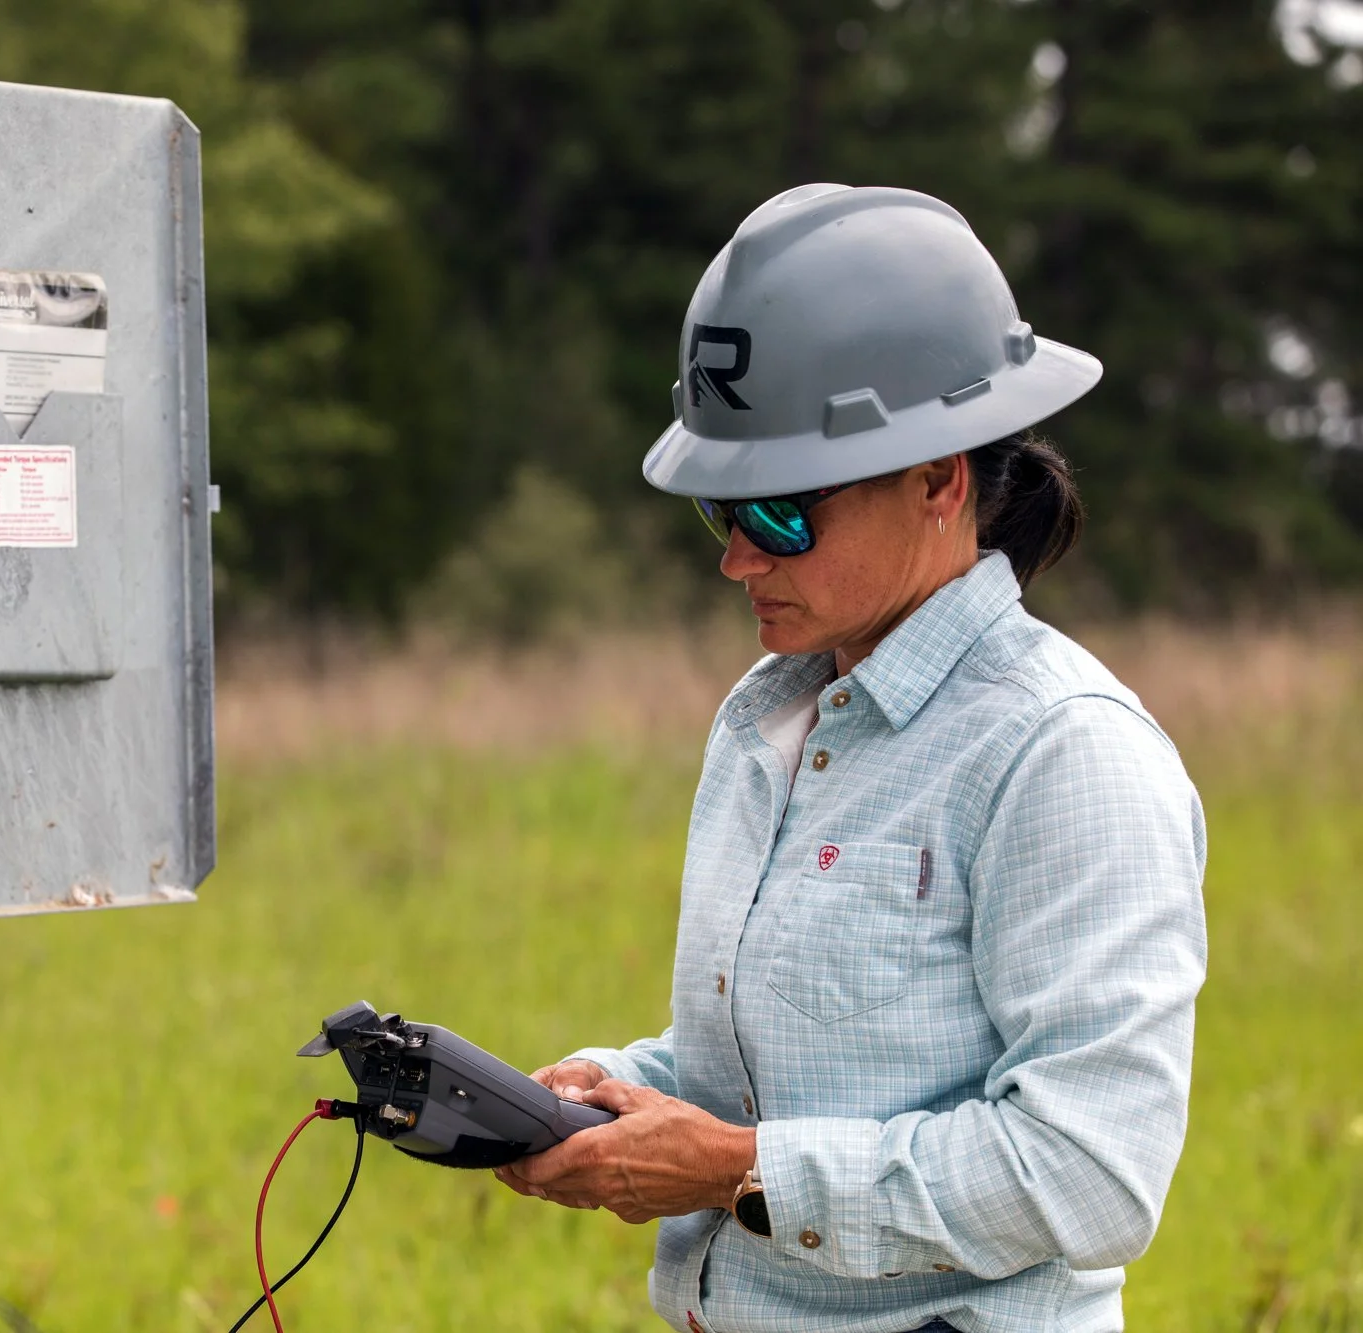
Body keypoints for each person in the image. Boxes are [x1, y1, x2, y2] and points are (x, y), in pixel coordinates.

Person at [493, 184, 1207, 1333]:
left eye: (778, 514)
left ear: (939, 480)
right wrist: (609, 1097)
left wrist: (733, 1167)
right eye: (720, 511)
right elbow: (796, 1064)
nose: (736, 560)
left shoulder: (1064, 753)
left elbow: (1089, 1172)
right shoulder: (765, 715)